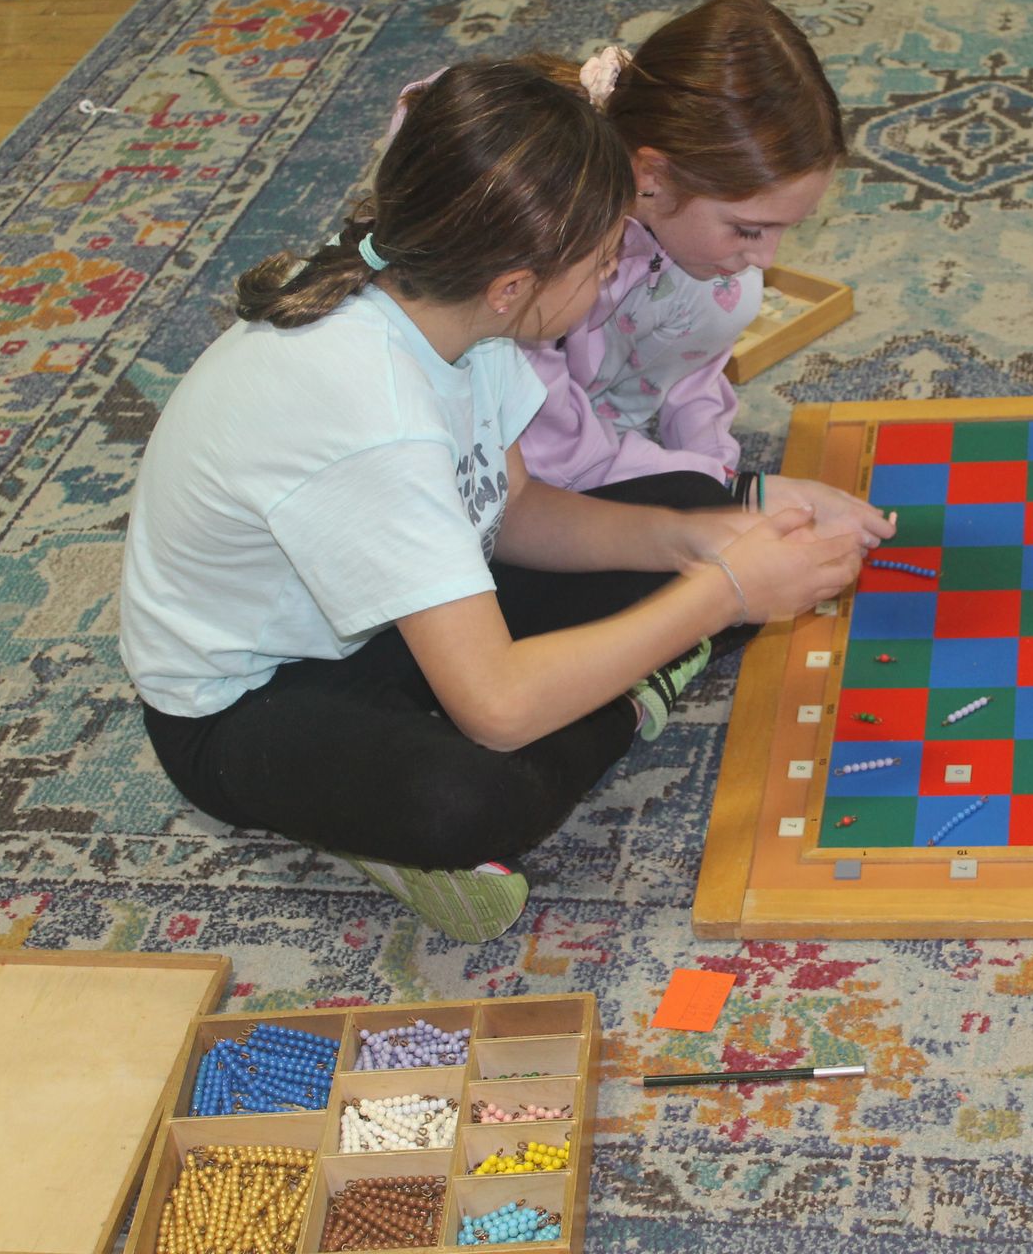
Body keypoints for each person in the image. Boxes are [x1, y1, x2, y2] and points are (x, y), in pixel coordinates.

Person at [118, 58, 862, 944]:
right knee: (472, 796)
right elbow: (498, 709)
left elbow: (513, 509)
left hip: (390, 612)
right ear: (516, 285)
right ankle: (618, 697)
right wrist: (723, 594)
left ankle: (613, 665)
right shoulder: (375, 418)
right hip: (247, 704)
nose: (611, 276)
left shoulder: (462, 309)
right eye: (601, 261)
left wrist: (693, 539)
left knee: (674, 499)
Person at [470, 0, 893, 545]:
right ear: (653, 176)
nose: (768, 258)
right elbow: (545, 458)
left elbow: (695, 381)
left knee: (730, 289)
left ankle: (621, 442)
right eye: (748, 228)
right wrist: (726, 498)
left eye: (787, 227)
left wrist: (717, 480)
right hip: (503, 453)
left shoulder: (663, 224)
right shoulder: (541, 254)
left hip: (568, 394)